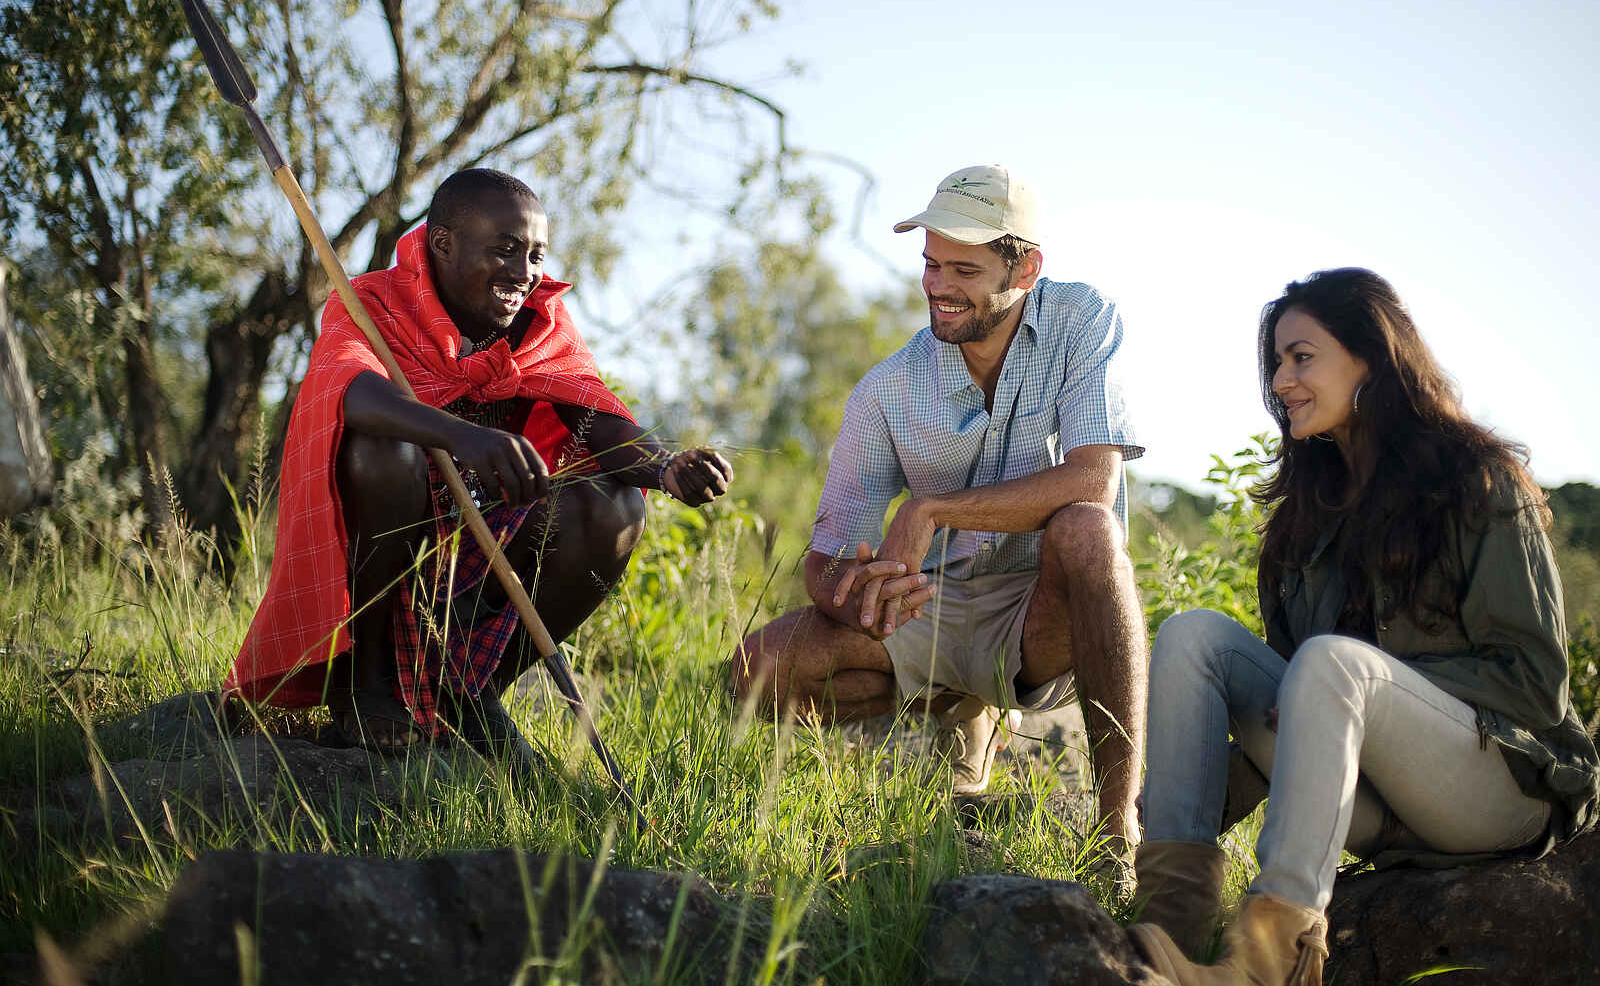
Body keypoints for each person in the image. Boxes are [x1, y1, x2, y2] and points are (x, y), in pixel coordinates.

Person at [1129, 268, 1599, 986]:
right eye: (1276, 362)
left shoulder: (1478, 481)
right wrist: (1167, 799)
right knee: (1193, 633)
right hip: (1373, 803)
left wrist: (1371, 691)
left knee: (1332, 664)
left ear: (1372, 360)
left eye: (1302, 356)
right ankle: (1166, 927)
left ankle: (1269, 960)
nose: (1281, 380)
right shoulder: (1302, 516)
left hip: (1497, 790)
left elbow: (1535, 685)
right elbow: (1293, 719)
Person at [225, 168, 732, 769]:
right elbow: (351, 393)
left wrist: (667, 467)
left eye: (536, 255)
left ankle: (467, 689)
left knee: (615, 504)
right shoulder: (370, 302)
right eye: (504, 250)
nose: (524, 273)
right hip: (386, 541)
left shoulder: (537, 320)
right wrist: (465, 438)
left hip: (482, 541)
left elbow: (594, 419)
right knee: (382, 451)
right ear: (443, 244)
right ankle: (366, 686)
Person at [730, 165, 1148, 853]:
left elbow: (1093, 480)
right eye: (930, 264)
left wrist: (928, 510)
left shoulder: (1082, 318)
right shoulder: (884, 390)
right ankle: (958, 710)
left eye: (963, 268)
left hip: (1044, 611)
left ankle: (1117, 829)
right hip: (934, 606)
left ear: (1028, 267)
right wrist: (863, 598)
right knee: (754, 671)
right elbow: (827, 557)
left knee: (1089, 528)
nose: (937, 286)